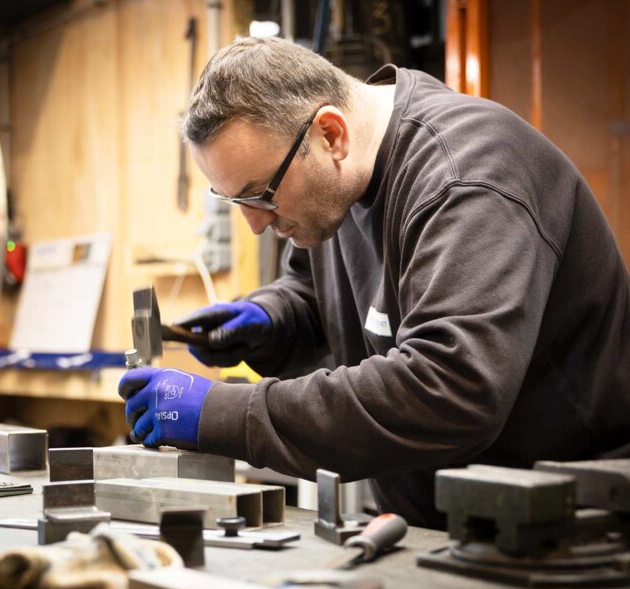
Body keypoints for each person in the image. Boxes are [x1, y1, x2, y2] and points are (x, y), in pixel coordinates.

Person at [118, 36, 630, 529]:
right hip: (441, 526)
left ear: (331, 134)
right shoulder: (339, 188)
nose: (256, 224)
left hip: (567, 535)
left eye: (262, 195)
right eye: (237, 202)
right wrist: (272, 317)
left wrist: (226, 414)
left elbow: (449, 388)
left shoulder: (467, 177)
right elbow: (328, 295)